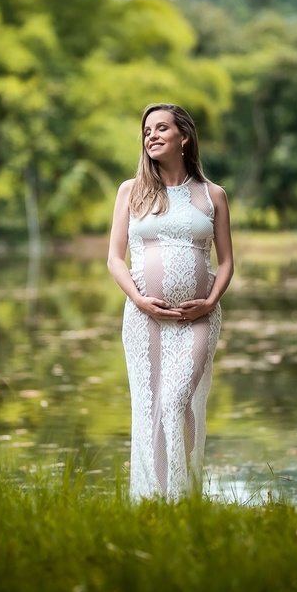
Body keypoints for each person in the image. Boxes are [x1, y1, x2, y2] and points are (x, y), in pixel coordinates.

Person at [107, 102, 234, 499]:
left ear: (185, 136)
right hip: (143, 320)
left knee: (178, 400)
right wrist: (140, 301)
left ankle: (183, 493)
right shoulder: (132, 191)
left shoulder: (212, 194)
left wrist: (210, 301)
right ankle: (153, 498)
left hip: (198, 318)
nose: (152, 136)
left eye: (161, 128)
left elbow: (227, 262)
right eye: (147, 131)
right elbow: (114, 258)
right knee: (151, 410)